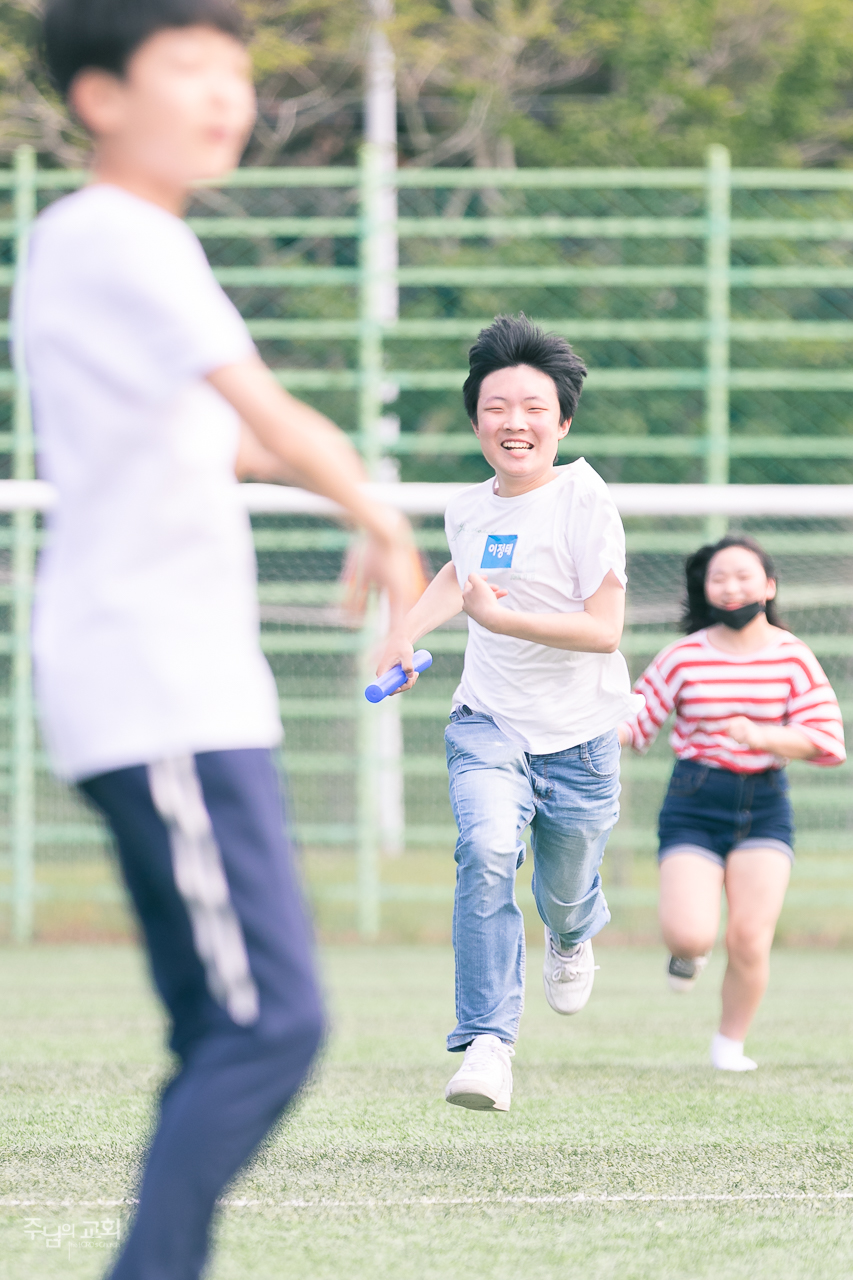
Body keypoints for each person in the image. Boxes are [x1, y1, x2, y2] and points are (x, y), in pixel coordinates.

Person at [18, 3, 420, 1278]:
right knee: (270, 1023)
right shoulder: (115, 234)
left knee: (224, 1024)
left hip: (183, 688)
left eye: (236, 72)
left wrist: (343, 483)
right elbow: (269, 411)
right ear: (99, 96)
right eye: (188, 67)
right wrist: (373, 509)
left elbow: (236, 439)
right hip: (154, 685)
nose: (226, 97)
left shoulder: (125, 249)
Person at [376, 314, 644, 1112]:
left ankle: (571, 933)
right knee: (486, 849)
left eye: (532, 407)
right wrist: (403, 630)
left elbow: (602, 632)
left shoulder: (585, 502)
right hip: (487, 723)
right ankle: (487, 1044)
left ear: (560, 422)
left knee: (563, 892)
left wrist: (500, 620)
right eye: (496, 406)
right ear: (476, 419)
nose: (513, 422)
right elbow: (460, 577)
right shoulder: (468, 509)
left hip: (580, 738)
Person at [619, 535, 845, 1072]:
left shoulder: (792, 655)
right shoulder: (683, 655)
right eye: (719, 577)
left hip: (764, 803)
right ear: (704, 589)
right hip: (694, 802)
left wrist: (762, 735)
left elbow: (827, 739)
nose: (731, 586)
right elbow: (636, 722)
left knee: (748, 937)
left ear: (768, 586)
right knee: (691, 932)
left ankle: (729, 1044)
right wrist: (590, 725)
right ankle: (687, 952)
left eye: (744, 575)